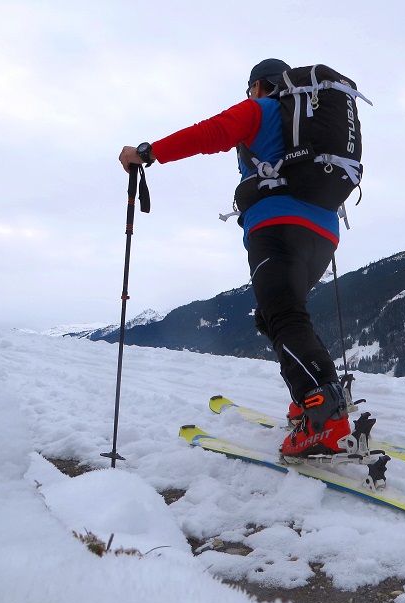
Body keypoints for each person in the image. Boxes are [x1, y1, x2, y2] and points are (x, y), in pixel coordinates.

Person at [119, 59, 351, 457]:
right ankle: (309, 399)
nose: (249, 96)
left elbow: (212, 132)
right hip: (324, 234)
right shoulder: (311, 129)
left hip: (277, 226)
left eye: (250, 90)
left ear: (260, 86)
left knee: (283, 316)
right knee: (276, 313)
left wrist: (150, 152)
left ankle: (324, 416)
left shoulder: (262, 109)